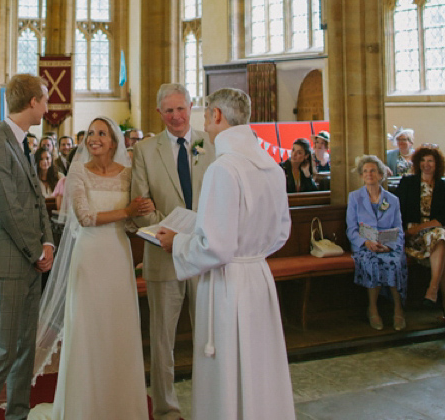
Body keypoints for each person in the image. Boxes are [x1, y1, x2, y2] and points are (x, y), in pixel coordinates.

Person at [155, 88, 292, 420]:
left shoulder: (224, 168)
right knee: (259, 360)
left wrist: (178, 243)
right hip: (258, 276)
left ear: (217, 115)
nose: (205, 122)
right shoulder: (271, 166)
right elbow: (282, 232)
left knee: (228, 364)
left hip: (228, 282)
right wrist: (251, 251)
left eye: (205, 115)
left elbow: (215, 246)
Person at [30, 117, 153, 420]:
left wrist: (143, 212)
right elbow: (84, 217)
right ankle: (85, 407)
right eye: (92, 133)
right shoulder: (77, 171)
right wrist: (128, 210)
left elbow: (132, 221)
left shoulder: (127, 174)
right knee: (89, 329)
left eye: (102, 133)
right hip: (89, 256)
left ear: (114, 142)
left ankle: (121, 407)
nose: (94, 138)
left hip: (118, 254)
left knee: (118, 328)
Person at [0, 73, 56, 420]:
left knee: (24, 349)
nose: (48, 108)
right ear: (32, 102)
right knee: (2, 350)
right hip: (7, 262)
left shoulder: (22, 142)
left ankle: (17, 414)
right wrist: (36, 252)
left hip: (31, 259)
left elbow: (36, 199)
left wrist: (47, 241)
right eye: (45, 100)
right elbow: (9, 210)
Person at [131, 83, 215, 420]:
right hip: (163, 254)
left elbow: (219, 196)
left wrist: (197, 235)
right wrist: (166, 235)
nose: (176, 116)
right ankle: (166, 409)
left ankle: (209, 402)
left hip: (205, 253)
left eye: (181, 109)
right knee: (162, 340)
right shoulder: (145, 150)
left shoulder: (209, 144)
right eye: (169, 110)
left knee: (208, 337)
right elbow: (141, 203)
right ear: (159, 113)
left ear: (191, 107)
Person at [397, 145, 445, 315]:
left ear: (437, 164)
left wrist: (422, 227)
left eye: (430, 161)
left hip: (436, 230)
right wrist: (410, 230)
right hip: (413, 235)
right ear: (418, 163)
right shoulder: (407, 183)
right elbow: (398, 210)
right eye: (423, 160)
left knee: (441, 238)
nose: (426, 164)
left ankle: (432, 290)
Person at [347, 154, 407, 330]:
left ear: (381, 174)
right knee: (371, 261)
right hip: (365, 244)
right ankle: (372, 308)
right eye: (365, 171)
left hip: (388, 243)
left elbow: (399, 228)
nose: (369, 174)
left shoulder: (392, 200)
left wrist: (388, 245)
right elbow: (351, 229)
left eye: (373, 171)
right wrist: (366, 243)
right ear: (361, 175)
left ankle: (398, 309)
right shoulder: (355, 198)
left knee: (394, 261)